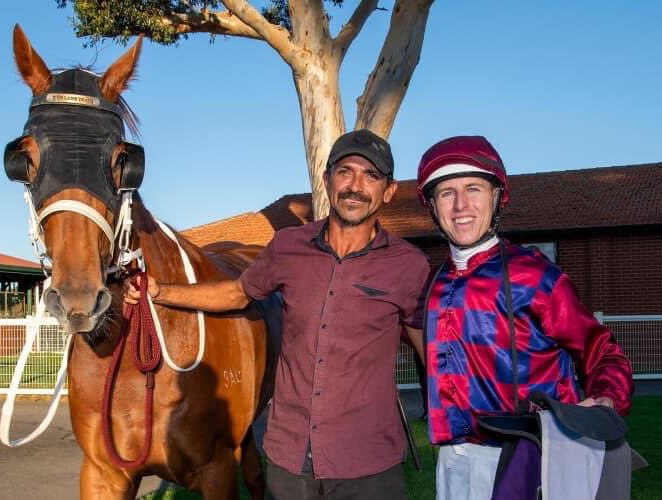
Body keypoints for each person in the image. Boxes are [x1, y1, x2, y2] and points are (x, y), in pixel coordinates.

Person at [124, 129, 429, 499]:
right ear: (327, 179)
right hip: (290, 460)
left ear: (389, 191)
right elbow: (237, 294)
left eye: (371, 176)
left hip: (369, 464)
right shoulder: (288, 246)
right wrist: (160, 292)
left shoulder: (409, 265)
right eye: (345, 171)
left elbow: (429, 348)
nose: (355, 186)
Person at [409, 135, 633, 500]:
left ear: (497, 197)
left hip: (527, 457)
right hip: (452, 462)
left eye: (473, 189)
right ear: (432, 205)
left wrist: (606, 398)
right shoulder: (434, 282)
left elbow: (603, 353)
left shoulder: (536, 275)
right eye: (447, 193)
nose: (461, 204)